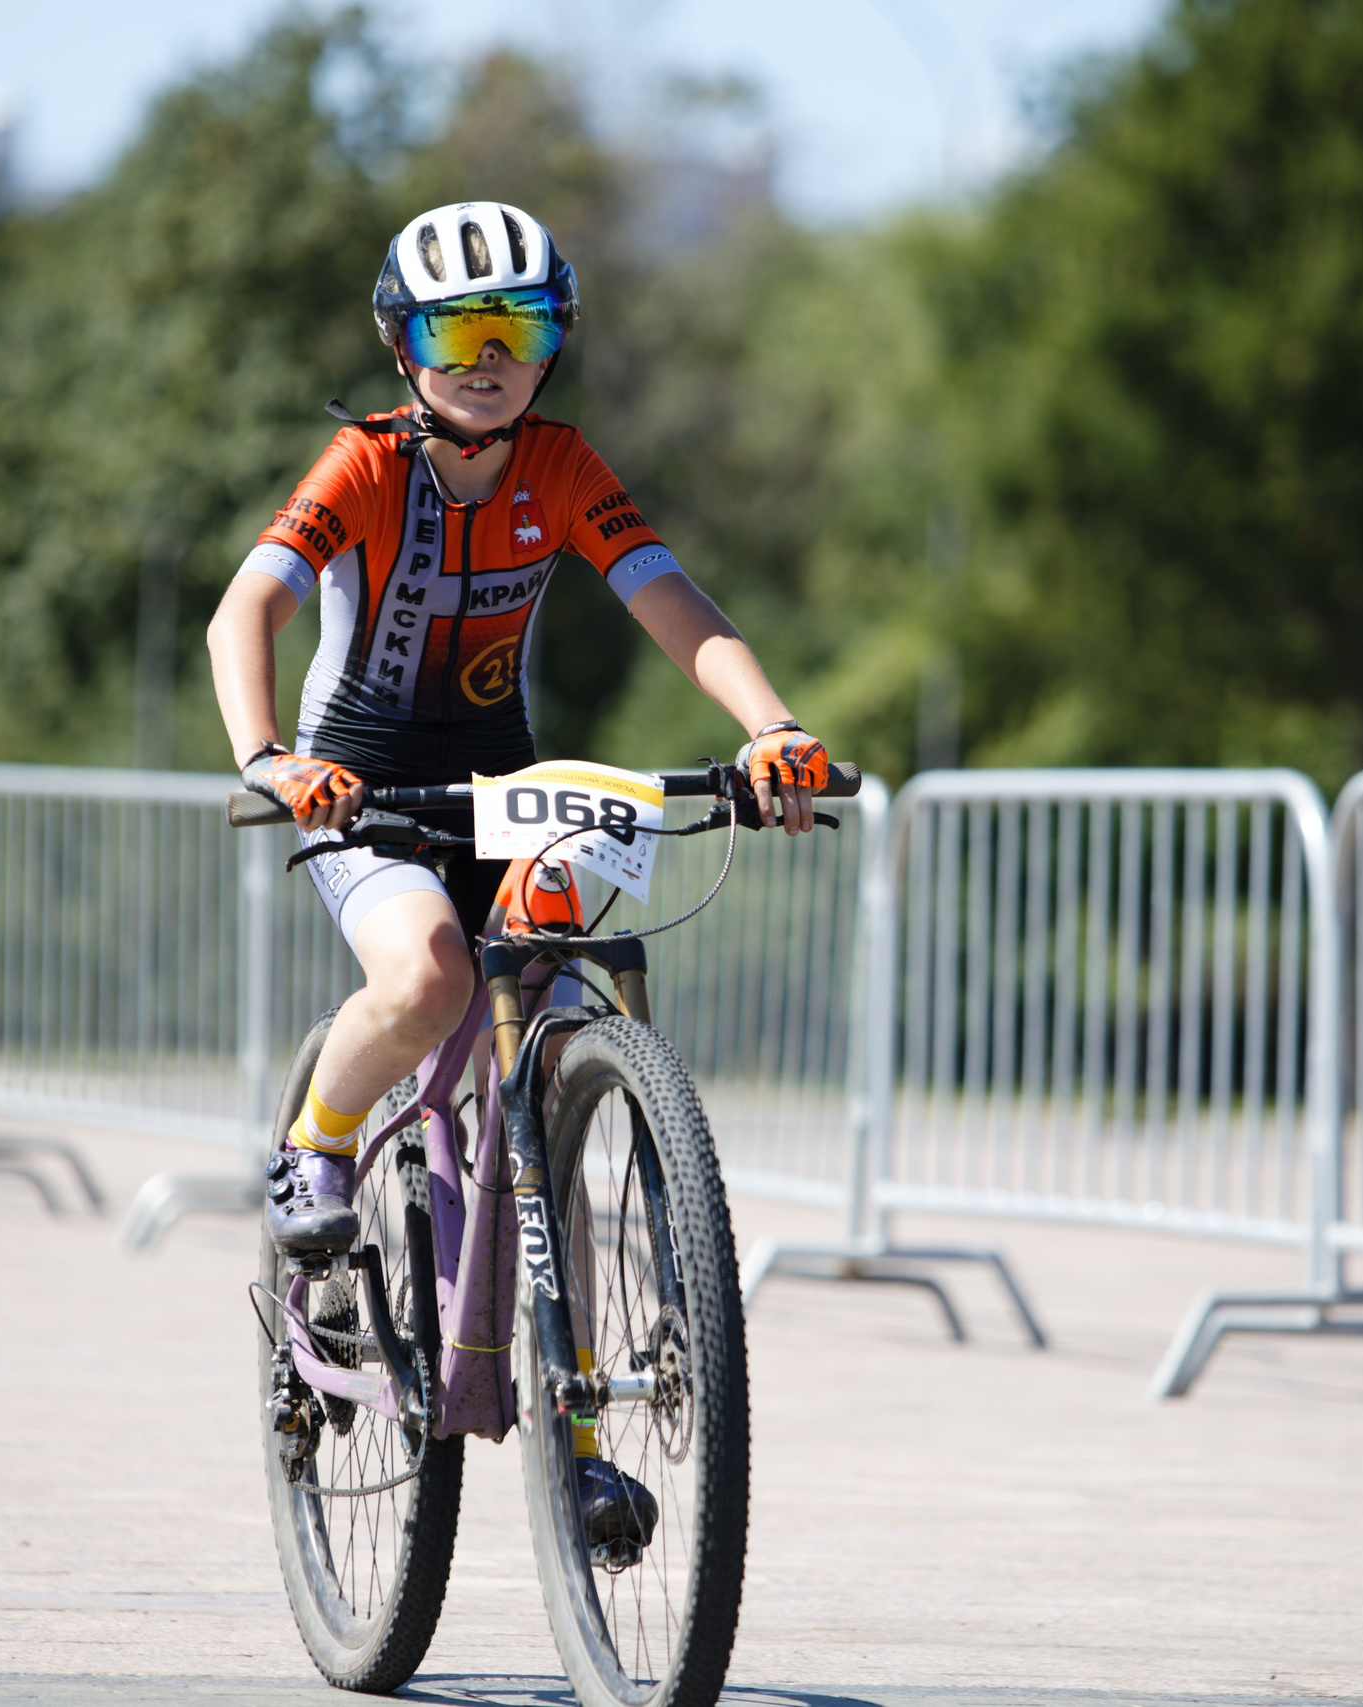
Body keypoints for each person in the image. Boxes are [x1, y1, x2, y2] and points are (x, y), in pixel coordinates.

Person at [206, 200, 830, 1543]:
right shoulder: (367, 464)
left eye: (522, 327)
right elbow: (243, 606)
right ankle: (316, 1143)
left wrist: (769, 729)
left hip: (499, 780)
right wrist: (266, 754)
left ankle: (545, 1232)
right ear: (403, 343)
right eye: (459, 329)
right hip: (358, 778)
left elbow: (675, 599)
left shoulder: (560, 462)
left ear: (554, 345)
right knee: (429, 970)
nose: (491, 356)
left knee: (549, 959)